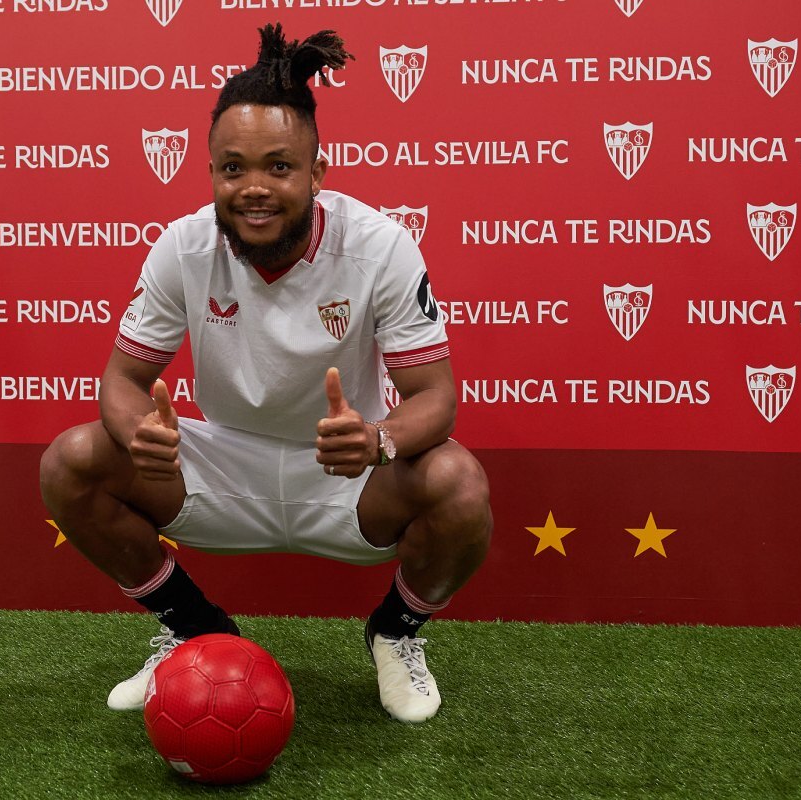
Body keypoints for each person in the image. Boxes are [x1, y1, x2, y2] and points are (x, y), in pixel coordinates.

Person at [40, 24, 492, 724]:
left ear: (317, 172)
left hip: (347, 475)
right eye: (233, 168)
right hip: (224, 467)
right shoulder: (183, 246)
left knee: (459, 485)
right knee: (70, 461)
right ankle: (194, 627)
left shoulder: (381, 246)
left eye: (279, 167)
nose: (254, 188)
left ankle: (394, 633)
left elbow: (436, 400)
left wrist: (377, 441)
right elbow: (120, 383)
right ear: (213, 172)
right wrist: (138, 435)